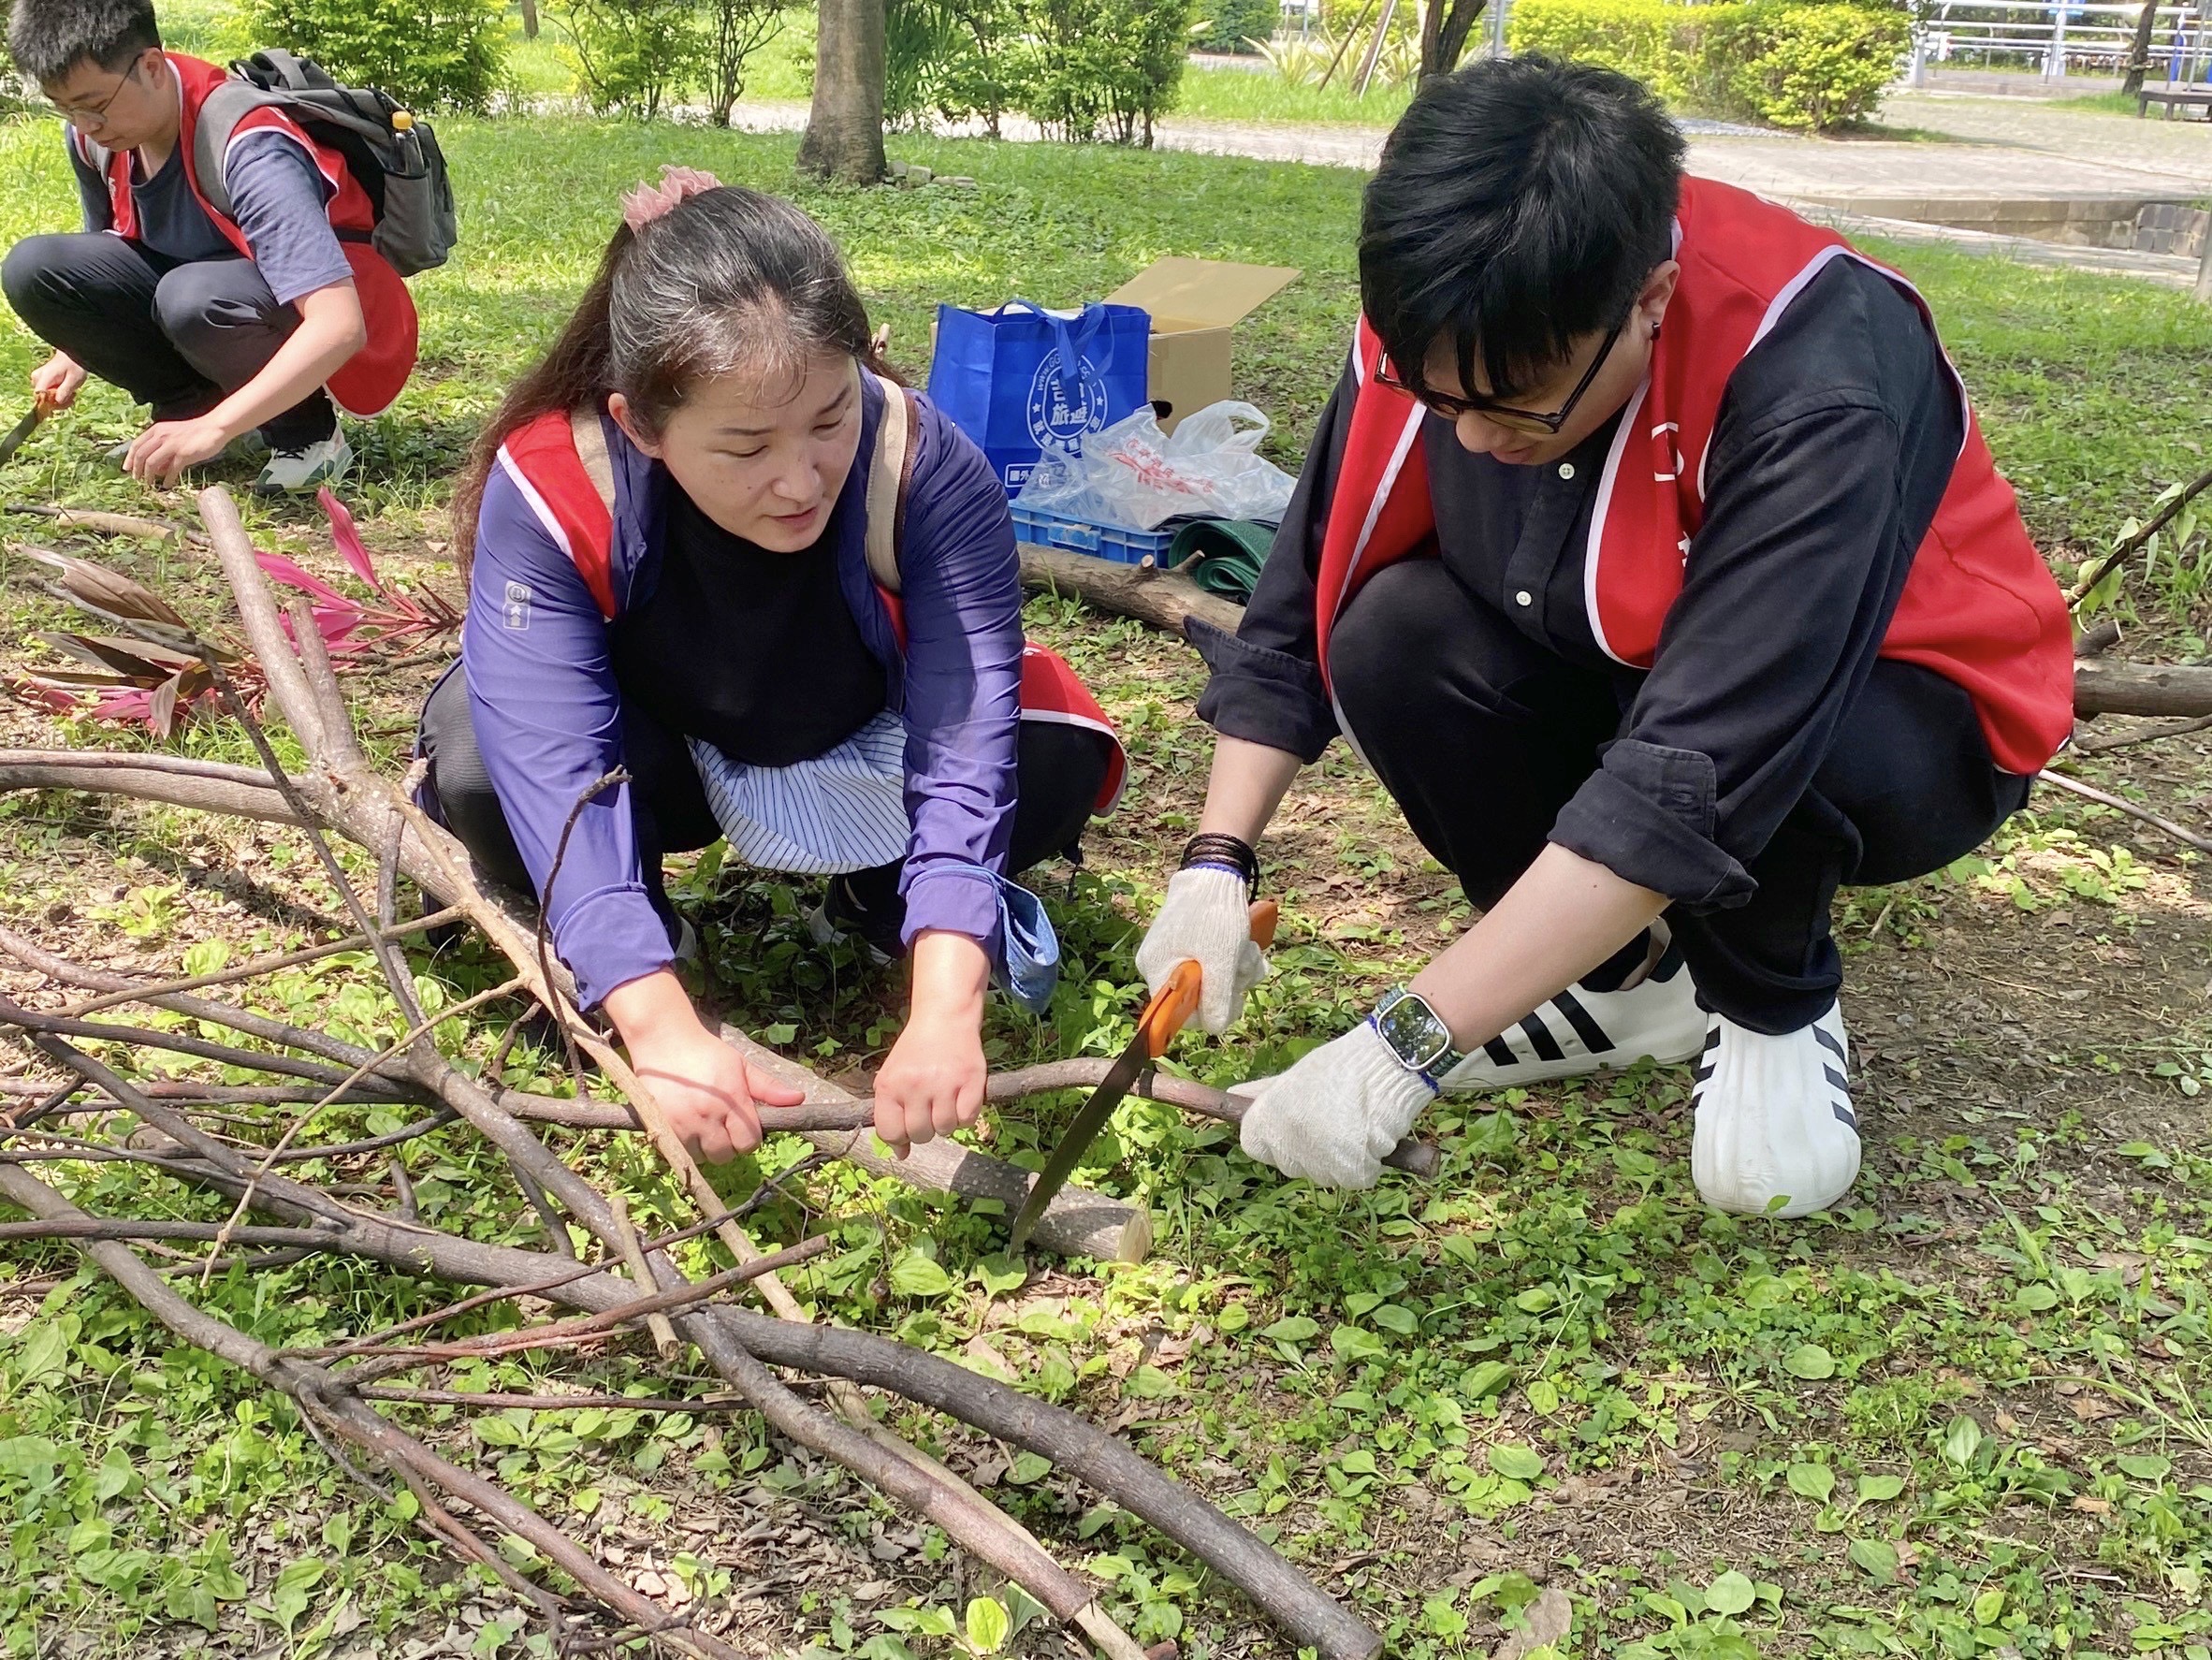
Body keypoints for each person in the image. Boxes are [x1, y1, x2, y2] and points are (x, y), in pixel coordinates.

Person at [1136, 58, 2073, 1217]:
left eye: (1514, 403)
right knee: (1390, 637)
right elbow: (1303, 592)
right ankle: (1635, 986)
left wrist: (1401, 1047)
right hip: (1628, 666)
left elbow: (1710, 755)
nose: (1470, 439)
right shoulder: (1452, 324)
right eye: (1440, 401)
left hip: (1898, 715)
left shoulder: (1813, 370)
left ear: (1650, 296)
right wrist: (1217, 859)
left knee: (1762, 1182)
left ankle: (1771, 996)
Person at [425, 168, 1124, 1164]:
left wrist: (944, 997)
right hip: (658, 747)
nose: (798, 480)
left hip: (848, 727)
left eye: (830, 419)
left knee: (1045, 762)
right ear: (641, 427)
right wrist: (657, 1021)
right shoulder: (554, 482)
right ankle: (645, 931)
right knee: (481, 768)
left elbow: (965, 734)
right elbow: (552, 751)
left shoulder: (924, 465)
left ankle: (885, 898)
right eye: (746, 446)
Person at [1, 0, 416, 493]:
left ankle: (307, 436)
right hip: (207, 294)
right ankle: (192, 410)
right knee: (36, 268)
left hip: (322, 315)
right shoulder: (97, 139)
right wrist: (74, 350)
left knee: (193, 296)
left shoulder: (250, 146)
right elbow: (106, 252)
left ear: (151, 67)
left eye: (93, 105)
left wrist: (217, 426)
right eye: (64, 107)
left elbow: (339, 324)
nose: (84, 124)